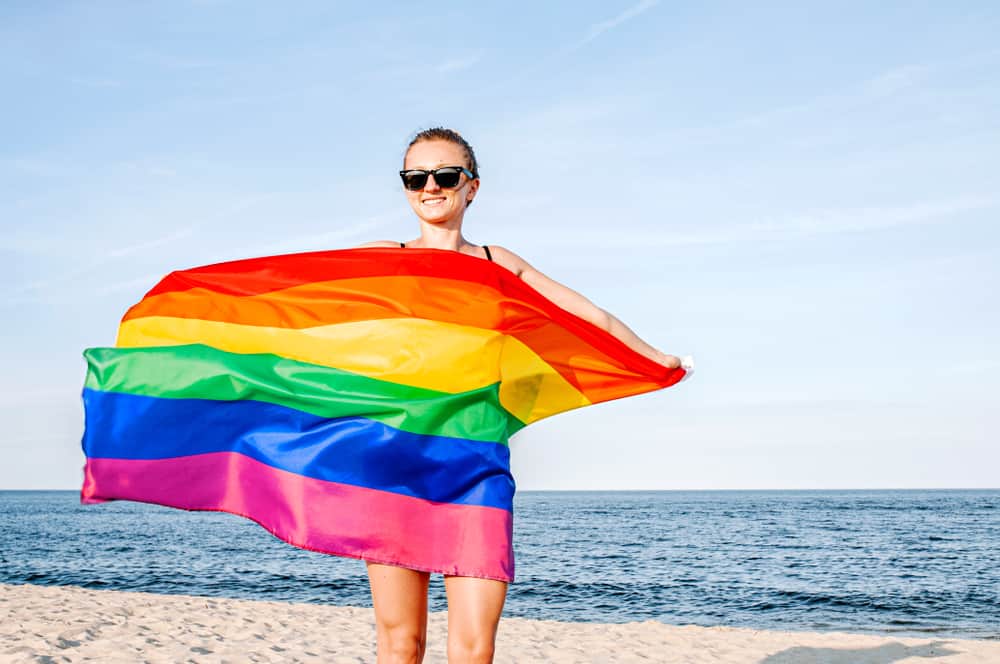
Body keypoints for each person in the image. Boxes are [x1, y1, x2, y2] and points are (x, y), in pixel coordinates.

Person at [358, 127, 681, 664]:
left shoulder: (496, 262)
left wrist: (656, 357)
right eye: (416, 177)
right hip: (394, 464)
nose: (430, 187)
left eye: (445, 175)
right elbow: (287, 293)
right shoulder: (380, 258)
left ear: (472, 187)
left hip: (476, 467)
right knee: (400, 643)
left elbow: (589, 315)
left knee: (474, 645)